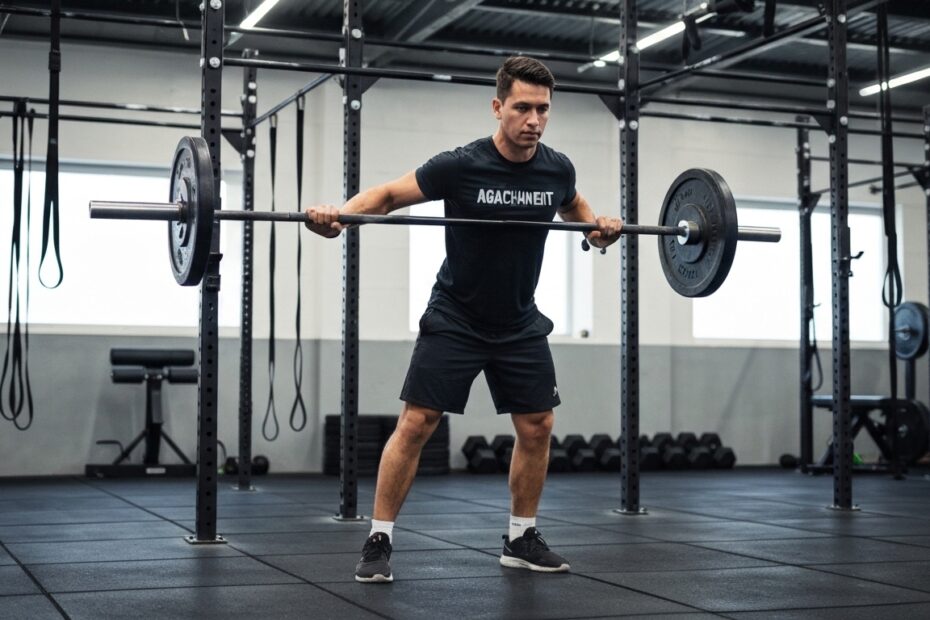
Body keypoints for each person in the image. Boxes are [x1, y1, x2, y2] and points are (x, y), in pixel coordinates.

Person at [306, 56, 623, 583]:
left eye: (544, 109)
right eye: (522, 107)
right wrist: (340, 214)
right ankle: (378, 538)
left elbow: (575, 207)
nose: (534, 120)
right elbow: (387, 196)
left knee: (538, 425)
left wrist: (598, 227)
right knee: (416, 424)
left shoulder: (556, 168)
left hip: (519, 321)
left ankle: (520, 537)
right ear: (498, 107)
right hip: (456, 315)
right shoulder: (460, 165)